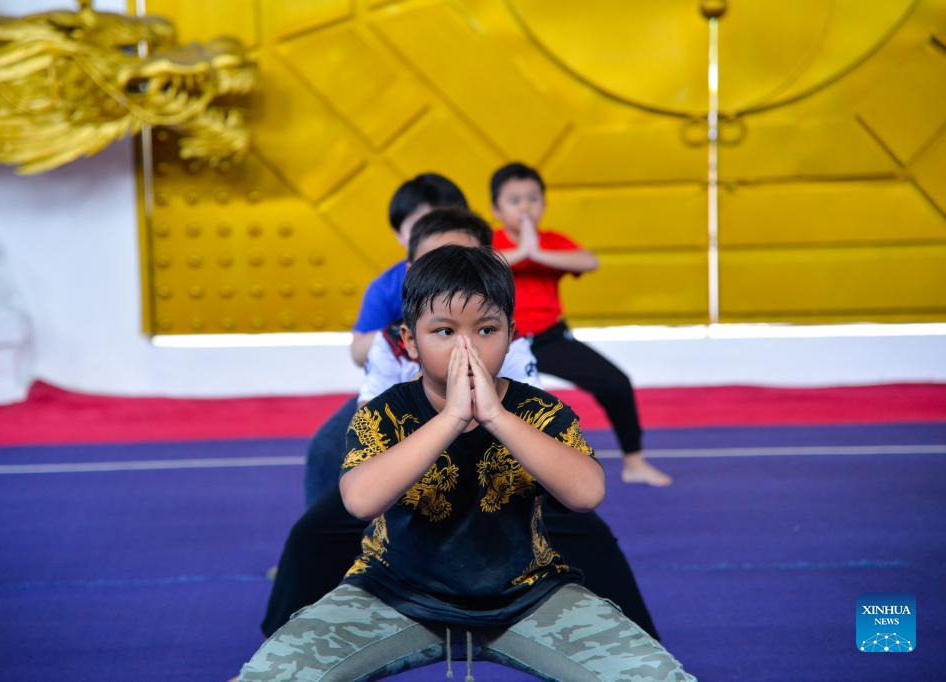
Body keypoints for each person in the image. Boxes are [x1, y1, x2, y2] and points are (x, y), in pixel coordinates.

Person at [238, 245, 694, 681]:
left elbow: (587, 493)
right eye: (444, 332)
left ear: (512, 335)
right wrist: (454, 417)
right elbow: (359, 501)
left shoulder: (540, 412)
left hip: (529, 598)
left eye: (486, 330)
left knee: (661, 676)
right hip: (392, 595)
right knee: (267, 675)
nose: (467, 349)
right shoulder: (383, 413)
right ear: (409, 342)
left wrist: (494, 415)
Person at [490, 162, 673, 486]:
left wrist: (538, 253)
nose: (525, 207)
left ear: (544, 204)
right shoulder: (490, 241)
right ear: (497, 208)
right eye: (515, 200)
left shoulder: (552, 241)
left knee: (615, 382)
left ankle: (634, 462)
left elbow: (589, 261)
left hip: (549, 338)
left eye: (533, 199)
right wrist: (522, 252)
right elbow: (479, 264)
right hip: (501, 343)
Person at [303, 173, 469, 505]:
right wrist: (397, 335)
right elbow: (359, 352)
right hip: (401, 386)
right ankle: (322, 549)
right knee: (328, 447)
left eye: (445, 223)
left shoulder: (487, 278)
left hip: (473, 389)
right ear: (400, 235)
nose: (437, 238)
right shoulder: (389, 286)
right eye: (424, 226)